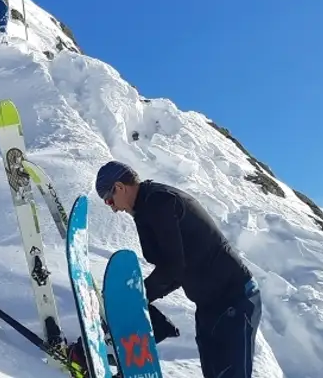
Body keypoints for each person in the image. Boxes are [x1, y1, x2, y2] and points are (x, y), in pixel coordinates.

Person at [96, 160, 262, 378]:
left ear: (119, 187)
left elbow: (173, 266)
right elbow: (176, 270)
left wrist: (135, 299)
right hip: (210, 305)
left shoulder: (159, 202)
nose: (114, 208)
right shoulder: (146, 207)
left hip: (234, 300)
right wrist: (141, 300)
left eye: (109, 200)